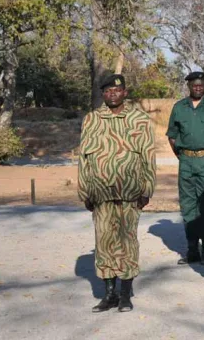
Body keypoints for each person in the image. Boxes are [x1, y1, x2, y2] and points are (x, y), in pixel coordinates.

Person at [78, 74, 156, 313]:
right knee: (103, 243)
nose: (113, 94)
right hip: (100, 192)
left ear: (125, 92)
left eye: (117, 90)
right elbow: (83, 158)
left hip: (129, 191)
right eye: (108, 91)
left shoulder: (139, 119)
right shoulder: (91, 119)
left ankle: (125, 295)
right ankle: (109, 294)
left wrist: (147, 189)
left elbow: (148, 156)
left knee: (127, 243)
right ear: (103, 94)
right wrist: (85, 191)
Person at [166, 71, 204, 266]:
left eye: (201, 85)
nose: (198, 88)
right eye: (194, 85)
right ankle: (192, 249)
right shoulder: (179, 107)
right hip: (186, 162)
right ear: (189, 86)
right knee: (188, 205)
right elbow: (172, 135)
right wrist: (182, 155)